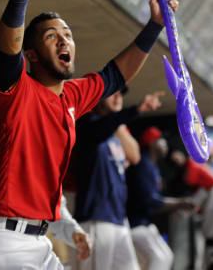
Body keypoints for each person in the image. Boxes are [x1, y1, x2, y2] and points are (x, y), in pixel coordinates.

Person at [0, 0, 179, 269]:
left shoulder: (73, 96)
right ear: (31, 55)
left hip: (39, 239)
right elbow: (7, 51)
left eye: (68, 34)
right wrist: (18, 2)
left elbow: (114, 74)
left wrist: (155, 25)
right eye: (52, 36)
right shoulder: (15, 87)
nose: (64, 40)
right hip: (1, 238)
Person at [0, 143, 91, 270]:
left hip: (32, 245)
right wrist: (2, 210)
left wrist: (72, 230)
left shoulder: (46, 154)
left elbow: (53, 204)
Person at [70, 88, 164, 270]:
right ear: (98, 99)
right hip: (95, 218)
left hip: (118, 218)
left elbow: (135, 155)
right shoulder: (87, 123)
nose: (118, 96)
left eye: (121, 93)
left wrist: (119, 121)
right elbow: (101, 127)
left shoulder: (115, 131)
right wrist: (133, 110)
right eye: (113, 92)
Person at [126, 127, 194, 270]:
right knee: (159, 259)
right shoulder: (142, 165)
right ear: (152, 143)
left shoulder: (152, 165)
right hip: (134, 224)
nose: (165, 143)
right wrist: (179, 203)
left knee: (166, 256)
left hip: (145, 224)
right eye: (160, 140)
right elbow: (150, 201)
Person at [170, 149, 213, 269]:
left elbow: (197, 192)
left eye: (178, 157)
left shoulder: (191, 165)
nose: (176, 160)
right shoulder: (193, 164)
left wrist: (185, 208)